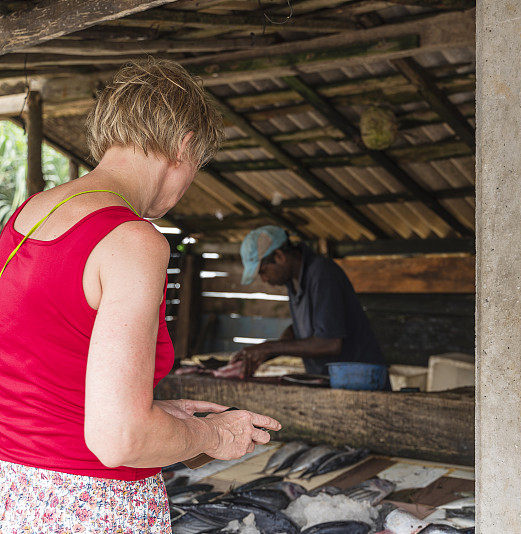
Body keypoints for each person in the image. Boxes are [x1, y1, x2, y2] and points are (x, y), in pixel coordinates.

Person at [0, 59, 280, 532]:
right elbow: (119, 438)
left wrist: (163, 417)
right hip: (87, 503)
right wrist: (212, 435)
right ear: (183, 146)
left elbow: (47, 376)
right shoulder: (134, 240)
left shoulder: (29, 215)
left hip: (18, 491)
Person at [216, 225, 386, 379]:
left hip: (360, 381)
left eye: (263, 271)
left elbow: (329, 343)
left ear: (280, 256)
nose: (264, 279)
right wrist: (264, 353)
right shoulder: (294, 281)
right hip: (331, 380)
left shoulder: (322, 274)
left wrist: (269, 347)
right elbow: (300, 331)